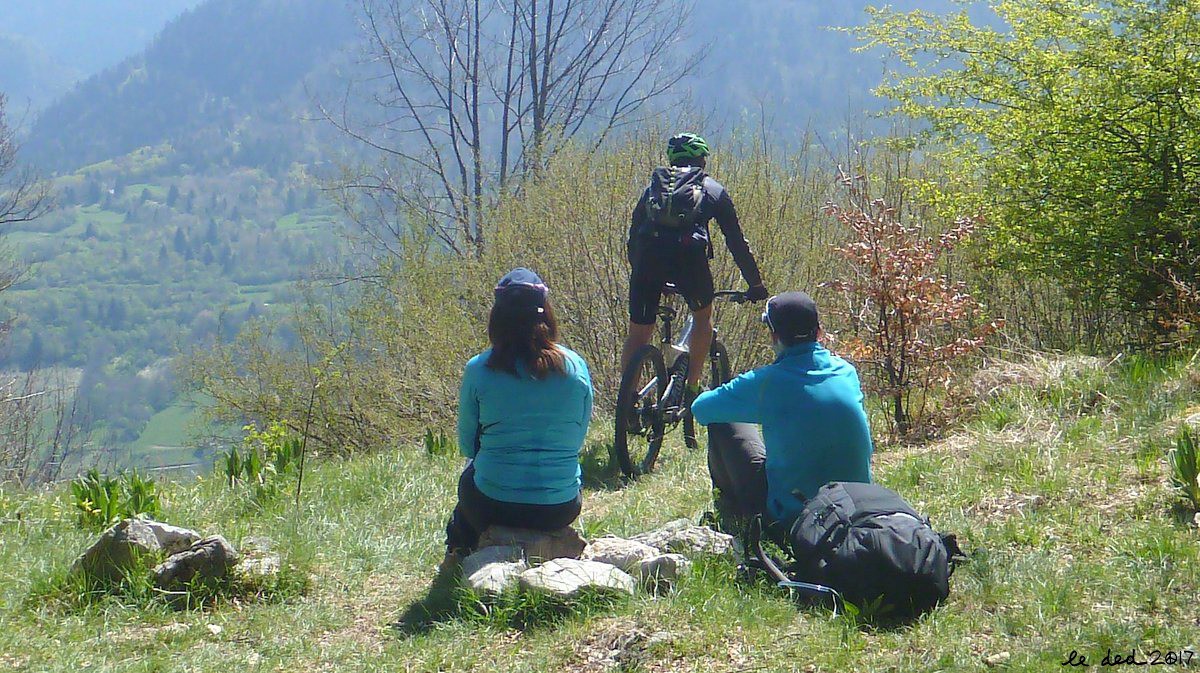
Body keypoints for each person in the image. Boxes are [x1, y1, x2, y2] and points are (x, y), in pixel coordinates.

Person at [690, 291, 873, 532]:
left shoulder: (767, 382)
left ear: (774, 336)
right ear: (819, 332)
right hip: (857, 509)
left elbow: (701, 409)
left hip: (794, 518)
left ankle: (733, 515)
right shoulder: (847, 372)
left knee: (721, 420)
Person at [444, 268, 594, 559]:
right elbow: (576, 441)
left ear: (497, 318)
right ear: (546, 315)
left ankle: (461, 552)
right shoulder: (576, 368)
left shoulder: (478, 369)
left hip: (492, 506)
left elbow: (467, 445)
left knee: (470, 475)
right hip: (560, 508)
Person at [623, 132, 769, 410]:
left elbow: (633, 237)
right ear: (702, 159)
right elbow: (736, 242)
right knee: (702, 318)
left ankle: (627, 402)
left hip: (647, 265)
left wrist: (640, 272)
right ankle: (692, 387)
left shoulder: (652, 190)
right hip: (689, 263)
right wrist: (755, 284)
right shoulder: (712, 189)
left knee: (638, 334)